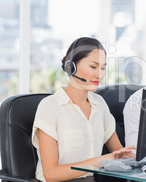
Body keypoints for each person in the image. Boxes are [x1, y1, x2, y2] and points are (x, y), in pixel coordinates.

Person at [32, 37, 135, 182]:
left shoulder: (99, 104)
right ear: (71, 67)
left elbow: (118, 153)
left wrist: (136, 157)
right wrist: (99, 161)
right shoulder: (50, 107)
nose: (99, 75)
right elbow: (51, 174)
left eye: (103, 68)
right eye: (93, 67)